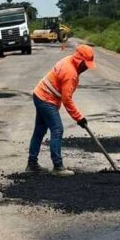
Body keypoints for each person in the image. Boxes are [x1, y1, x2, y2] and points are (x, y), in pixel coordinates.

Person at [27, 44, 96, 176]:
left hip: (40, 95)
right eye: (85, 64)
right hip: (46, 99)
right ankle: (58, 167)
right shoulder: (70, 73)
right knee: (57, 129)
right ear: (79, 61)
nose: (87, 68)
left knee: (39, 131)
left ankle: (32, 164)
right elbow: (67, 99)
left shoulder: (69, 59)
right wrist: (79, 118)